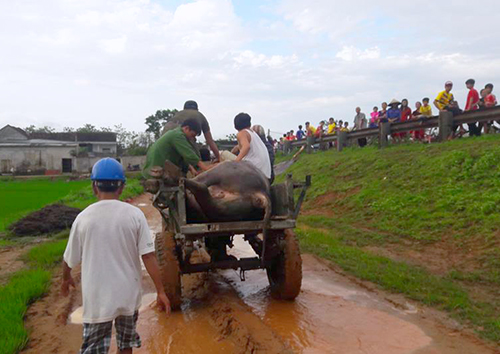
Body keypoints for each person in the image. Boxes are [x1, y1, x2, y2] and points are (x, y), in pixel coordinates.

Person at [62, 158, 170, 354]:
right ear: (121, 187)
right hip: (127, 297)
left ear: (94, 186)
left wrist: (65, 277)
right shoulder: (135, 215)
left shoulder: (83, 218)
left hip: (97, 299)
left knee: (94, 348)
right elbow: (149, 256)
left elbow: (69, 258)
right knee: (125, 345)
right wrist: (161, 290)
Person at [143, 118, 211, 178]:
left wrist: (192, 169)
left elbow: (183, 156)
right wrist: (206, 169)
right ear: (186, 128)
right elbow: (189, 154)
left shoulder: (175, 133)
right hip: (157, 170)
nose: (193, 138)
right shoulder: (178, 136)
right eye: (192, 135)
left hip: (153, 168)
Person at [233, 113, 271, 180]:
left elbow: (246, 147)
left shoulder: (241, 133)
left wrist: (235, 163)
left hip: (254, 170)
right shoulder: (253, 133)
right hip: (266, 173)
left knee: (224, 155)